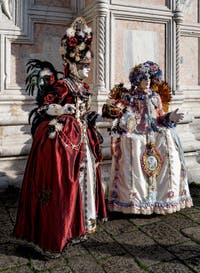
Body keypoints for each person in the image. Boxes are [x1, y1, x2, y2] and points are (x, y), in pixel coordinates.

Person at [13, 17, 107, 257]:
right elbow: (46, 108)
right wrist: (63, 110)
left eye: (89, 65)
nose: (88, 69)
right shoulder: (63, 85)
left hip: (81, 138)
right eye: (84, 65)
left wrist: (92, 117)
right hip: (64, 142)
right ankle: (59, 230)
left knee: (82, 179)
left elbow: (83, 112)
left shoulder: (83, 88)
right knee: (65, 183)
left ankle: (79, 225)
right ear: (73, 64)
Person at [104, 61, 193, 215]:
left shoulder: (155, 97)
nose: (147, 82)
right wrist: (125, 121)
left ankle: (163, 199)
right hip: (137, 132)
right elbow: (125, 116)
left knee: (167, 140)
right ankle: (137, 201)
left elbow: (159, 118)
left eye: (149, 79)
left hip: (154, 131)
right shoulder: (130, 97)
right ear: (137, 80)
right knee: (133, 143)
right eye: (144, 79)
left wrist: (170, 117)